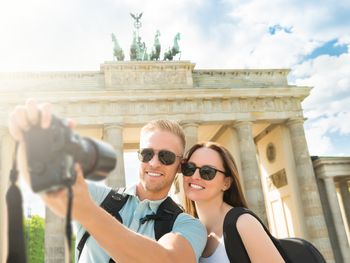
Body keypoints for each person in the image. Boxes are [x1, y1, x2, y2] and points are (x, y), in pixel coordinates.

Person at [8, 100, 207, 263]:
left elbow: (170, 260)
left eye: (166, 157)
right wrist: (32, 143)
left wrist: (87, 212)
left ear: (180, 164)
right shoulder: (98, 197)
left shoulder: (189, 225)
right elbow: (50, 186)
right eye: (147, 154)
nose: (154, 163)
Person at [181, 141, 285, 263]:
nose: (195, 176)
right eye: (189, 168)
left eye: (207, 172)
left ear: (226, 183)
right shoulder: (188, 229)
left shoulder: (244, 223)